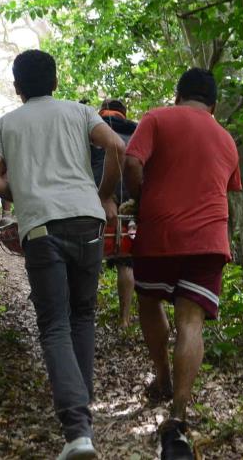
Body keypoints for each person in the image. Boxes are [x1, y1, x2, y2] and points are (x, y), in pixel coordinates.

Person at [0, 49, 125, 460]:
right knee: (83, 316)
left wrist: (21, 193)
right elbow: (117, 146)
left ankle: (77, 432)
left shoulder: (6, 125)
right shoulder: (79, 112)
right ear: (56, 82)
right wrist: (104, 195)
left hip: (43, 227)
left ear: (17, 87)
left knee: (55, 324)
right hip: (88, 222)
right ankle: (84, 422)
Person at [123, 68, 242, 460]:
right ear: (213, 104)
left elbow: (132, 162)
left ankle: (161, 377)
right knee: (190, 322)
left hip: (160, 233)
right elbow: (227, 188)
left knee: (149, 301)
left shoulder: (157, 118)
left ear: (178, 95)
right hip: (209, 241)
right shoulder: (226, 139)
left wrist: (141, 200)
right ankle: (178, 414)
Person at [90, 98, 138, 328]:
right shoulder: (137, 133)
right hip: (130, 198)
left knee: (88, 257)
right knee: (126, 262)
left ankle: (84, 311)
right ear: (124, 114)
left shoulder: (92, 132)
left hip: (98, 197)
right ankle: (125, 318)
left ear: (101, 112)